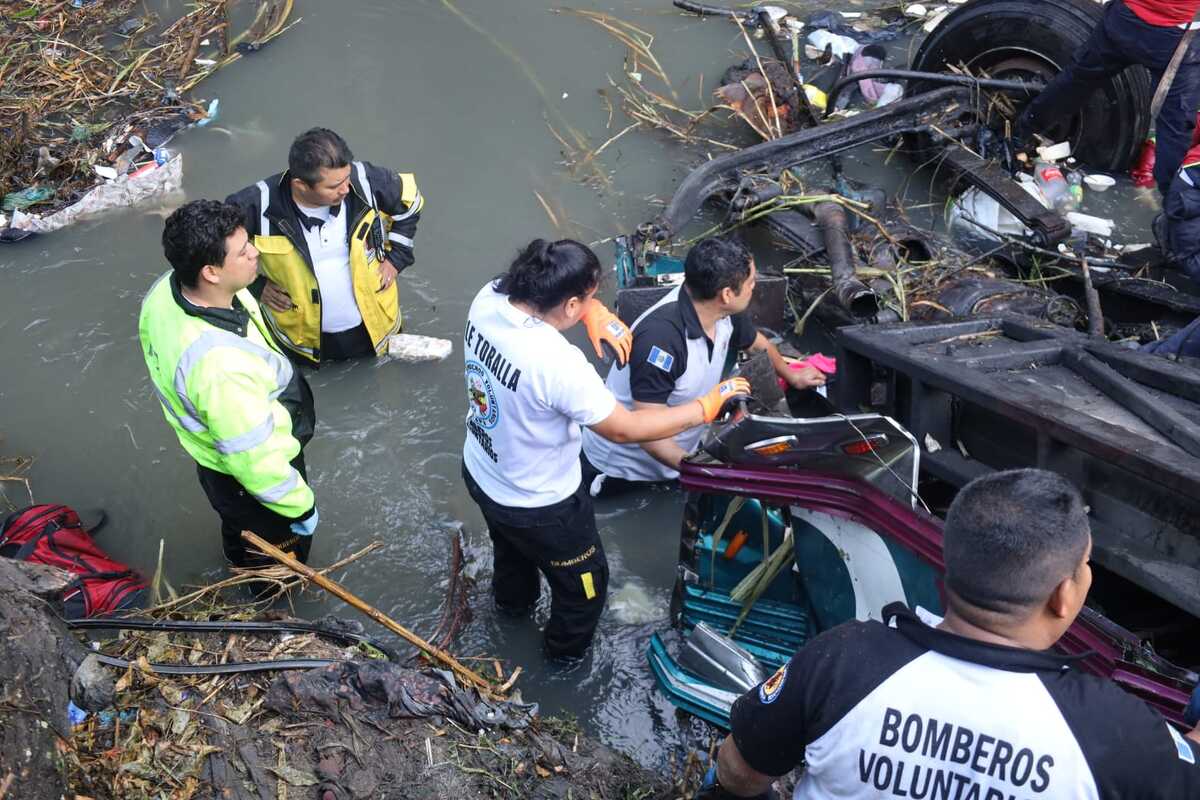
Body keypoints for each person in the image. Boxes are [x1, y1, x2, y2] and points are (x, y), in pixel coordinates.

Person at [700, 468, 1200, 799]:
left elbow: (738, 770)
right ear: (1064, 595)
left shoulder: (842, 661)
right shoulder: (1119, 733)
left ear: (945, 570)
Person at [461, 238, 750, 659]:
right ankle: (561, 667)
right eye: (591, 299)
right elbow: (625, 428)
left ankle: (508, 616)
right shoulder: (556, 362)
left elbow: (522, 286)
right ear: (570, 304)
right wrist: (704, 407)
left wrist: (592, 310)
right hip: (541, 505)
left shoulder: (487, 299)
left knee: (512, 557)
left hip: (482, 470)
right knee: (584, 591)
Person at [139, 200, 319, 568]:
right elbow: (254, 461)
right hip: (249, 475)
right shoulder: (220, 369)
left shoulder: (165, 293)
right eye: (243, 251)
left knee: (237, 526)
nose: (255, 252)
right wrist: (301, 507)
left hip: (216, 461)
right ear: (211, 272)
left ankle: (239, 559)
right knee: (277, 560)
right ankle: (272, 608)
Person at [581, 237, 825, 495]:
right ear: (727, 294)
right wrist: (707, 472)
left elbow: (756, 344)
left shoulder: (722, 311)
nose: (754, 287)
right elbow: (647, 431)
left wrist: (793, 376)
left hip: (680, 447)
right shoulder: (662, 341)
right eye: (751, 282)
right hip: (624, 467)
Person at [225, 127, 423, 365]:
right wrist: (254, 285)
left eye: (346, 179)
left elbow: (410, 203)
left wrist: (396, 259)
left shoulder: (366, 181)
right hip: (301, 342)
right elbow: (214, 256)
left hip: (378, 327)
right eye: (333, 186)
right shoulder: (255, 205)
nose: (346, 189)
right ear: (300, 185)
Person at [1014, 0, 1200, 196]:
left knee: (1076, 79)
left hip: (1124, 19)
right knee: (1174, 127)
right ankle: (1173, 206)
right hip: (1178, 35)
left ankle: (1021, 132)